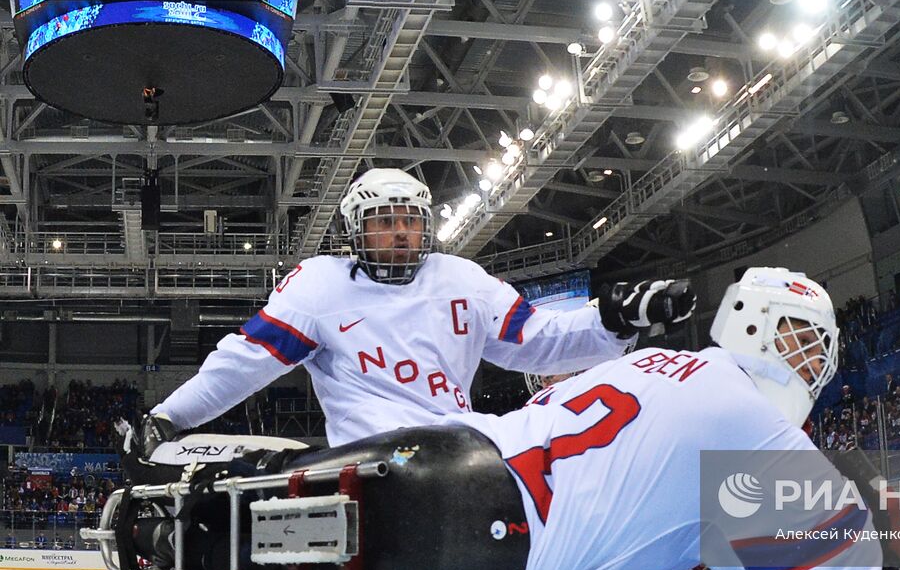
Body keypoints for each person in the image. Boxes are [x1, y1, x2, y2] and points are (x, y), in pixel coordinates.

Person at [109, 268, 900, 570]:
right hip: (488, 553)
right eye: (807, 346)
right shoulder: (755, 423)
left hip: (444, 451)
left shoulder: (646, 362)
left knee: (298, 527)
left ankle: (192, 515)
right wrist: (876, 526)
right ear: (769, 334)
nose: (812, 366)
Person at [137, 168, 696, 450]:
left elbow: (541, 340)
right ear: (355, 231)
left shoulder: (461, 279)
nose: (401, 233)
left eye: (409, 220)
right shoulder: (319, 286)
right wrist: (170, 417)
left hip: (468, 444)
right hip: (374, 457)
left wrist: (615, 317)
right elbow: (243, 363)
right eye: (385, 221)